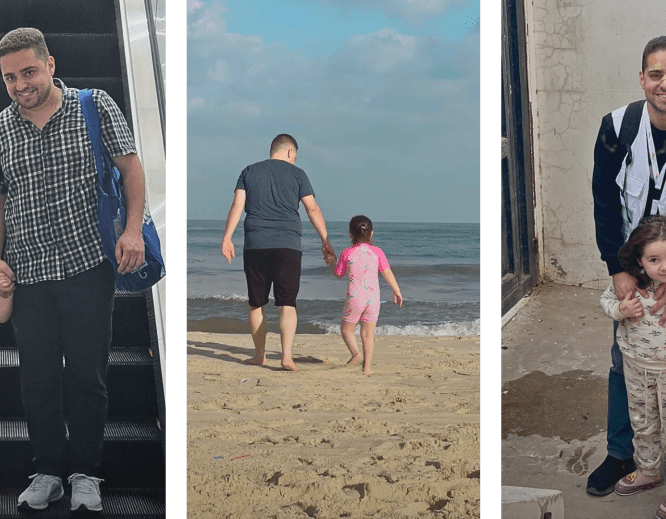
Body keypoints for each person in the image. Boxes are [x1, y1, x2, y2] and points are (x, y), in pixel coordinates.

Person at [0, 28, 147, 512]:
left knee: (88, 376)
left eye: (28, 72)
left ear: (50, 64)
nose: (20, 85)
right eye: (9, 78)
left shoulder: (94, 104)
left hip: (88, 266)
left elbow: (131, 168)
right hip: (29, 271)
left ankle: (86, 472)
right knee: (36, 378)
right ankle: (47, 470)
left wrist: (130, 232)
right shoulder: (1, 129)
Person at [589, 35, 666, 496]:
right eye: (656, 74)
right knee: (626, 362)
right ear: (642, 78)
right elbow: (603, 200)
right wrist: (616, 269)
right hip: (632, 264)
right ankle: (622, 453)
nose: (664, 84)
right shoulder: (615, 128)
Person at [221, 134, 335, 371]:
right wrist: (325, 239)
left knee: (256, 303)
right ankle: (286, 357)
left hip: (255, 244)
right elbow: (312, 208)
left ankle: (259, 355)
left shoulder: (249, 171)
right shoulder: (298, 174)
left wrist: (227, 237)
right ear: (290, 152)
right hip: (288, 246)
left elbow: (237, 205)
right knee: (287, 303)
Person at [600, 216, 666, 518]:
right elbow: (605, 301)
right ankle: (650, 471)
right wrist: (620, 310)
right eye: (654, 259)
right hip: (636, 368)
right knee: (643, 424)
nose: (663, 266)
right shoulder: (630, 283)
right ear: (639, 258)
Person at [324, 215, 402, 375]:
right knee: (368, 334)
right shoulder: (377, 252)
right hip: (374, 298)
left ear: (350, 235)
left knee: (346, 330)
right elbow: (387, 272)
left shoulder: (347, 253)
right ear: (371, 233)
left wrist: (332, 261)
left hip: (355, 297)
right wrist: (396, 290)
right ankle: (367, 368)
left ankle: (356, 354)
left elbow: (338, 274)